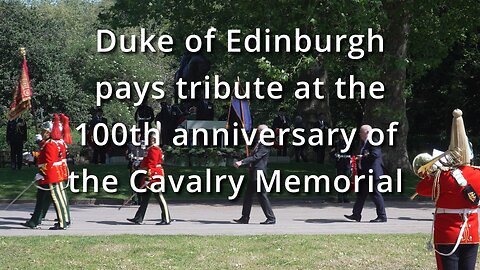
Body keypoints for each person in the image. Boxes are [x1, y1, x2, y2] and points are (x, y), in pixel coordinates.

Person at [415, 109, 479, 270]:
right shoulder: (478, 174)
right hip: (471, 234)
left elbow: (421, 189)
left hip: (447, 234)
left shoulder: (442, 176)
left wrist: (433, 172)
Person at [22, 114, 68, 230]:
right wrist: (33, 156)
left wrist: (42, 173)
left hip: (50, 175)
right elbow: (44, 156)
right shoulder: (51, 143)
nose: (43, 133)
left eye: (45, 131)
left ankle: (62, 223)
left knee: (57, 199)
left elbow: (49, 162)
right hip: (52, 174)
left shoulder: (51, 144)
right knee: (42, 198)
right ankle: (35, 221)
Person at [233, 124, 276, 225]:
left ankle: (271, 218)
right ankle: (245, 217)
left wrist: (242, 162)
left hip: (259, 173)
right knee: (248, 195)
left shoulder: (266, 144)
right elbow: (253, 157)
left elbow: (256, 157)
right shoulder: (258, 143)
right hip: (254, 172)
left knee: (261, 195)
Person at [344, 124, 387, 222]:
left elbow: (375, 154)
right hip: (366, 173)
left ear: (367, 132)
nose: (359, 134)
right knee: (361, 194)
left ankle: (382, 216)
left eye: (361, 132)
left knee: (375, 194)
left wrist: (362, 157)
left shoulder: (373, 141)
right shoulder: (365, 143)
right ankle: (356, 214)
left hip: (373, 173)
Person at [127, 134, 171, 225]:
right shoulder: (150, 149)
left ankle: (166, 218)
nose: (151, 140)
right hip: (151, 173)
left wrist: (148, 177)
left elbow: (152, 164)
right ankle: (138, 218)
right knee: (145, 198)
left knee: (159, 196)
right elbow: (146, 162)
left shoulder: (154, 149)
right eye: (151, 139)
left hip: (154, 175)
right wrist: (139, 166)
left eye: (153, 139)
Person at [330, 137, 352, 203]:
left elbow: (352, 154)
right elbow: (332, 153)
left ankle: (346, 197)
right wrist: (336, 156)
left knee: (346, 182)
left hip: (347, 165)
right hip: (340, 165)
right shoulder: (337, 143)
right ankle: (340, 197)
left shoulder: (349, 144)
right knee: (340, 182)